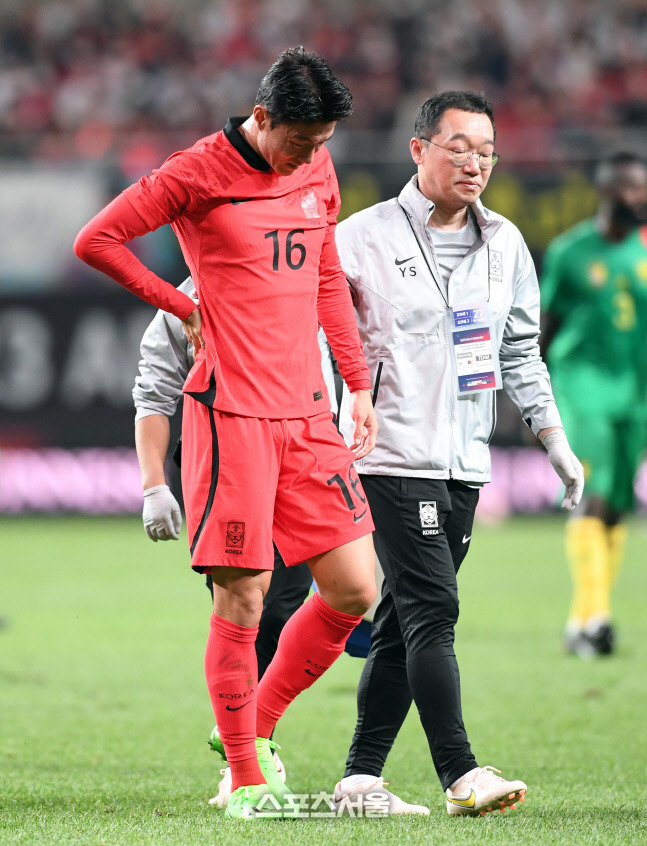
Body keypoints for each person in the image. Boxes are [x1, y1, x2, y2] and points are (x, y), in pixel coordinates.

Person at [74, 47, 378, 821]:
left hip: (308, 414)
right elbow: (97, 241)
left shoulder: (317, 169)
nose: (314, 155)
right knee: (242, 599)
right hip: (230, 414)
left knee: (354, 589)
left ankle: (250, 727)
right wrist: (181, 307)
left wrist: (357, 385)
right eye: (302, 140)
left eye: (324, 142)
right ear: (263, 117)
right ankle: (245, 776)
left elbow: (323, 279)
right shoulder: (195, 172)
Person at [331, 90, 584, 817]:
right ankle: (460, 773)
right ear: (419, 150)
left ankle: (358, 778)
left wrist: (553, 439)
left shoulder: (503, 242)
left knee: (402, 621)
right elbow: (315, 332)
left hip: (464, 460)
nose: (475, 163)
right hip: (390, 454)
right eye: (459, 147)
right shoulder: (360, 237)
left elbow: (517, 350)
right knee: (433, 608)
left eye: (486, 151)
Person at [132, 275, 372, 808]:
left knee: (346, 591)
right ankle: (250, 762)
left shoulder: (306, 270)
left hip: (308, 450)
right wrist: (154, 485)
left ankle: (245, 733)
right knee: (255, 603)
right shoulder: (190, 297)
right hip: (227, 450)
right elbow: (153, 390)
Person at [540, 152, 647, 658]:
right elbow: (545, 327)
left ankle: (582, 622)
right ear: (606, 192)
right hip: (583, 386)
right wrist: (532, 397)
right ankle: (597, 618)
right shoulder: (570, 252)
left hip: (636, 393)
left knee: (618, 505)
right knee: (594, 495)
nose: (641, 197)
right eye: (632, 189)